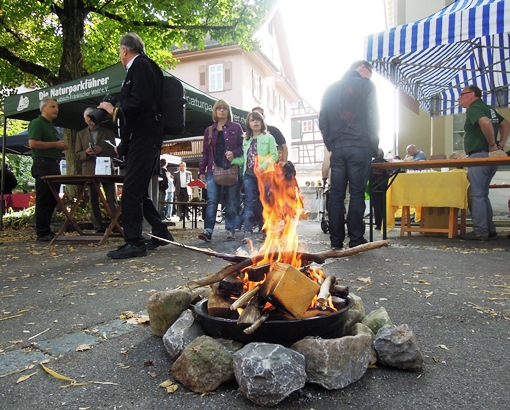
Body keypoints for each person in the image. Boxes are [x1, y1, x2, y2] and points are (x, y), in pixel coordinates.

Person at [98, 32, 174, 258]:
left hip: (145, 136)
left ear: (124, 50)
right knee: (138, 190)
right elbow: (138, 104)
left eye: (119, 51)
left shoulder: (140, 65)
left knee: (131, 191)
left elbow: (141, 102)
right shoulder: (143, 67)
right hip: (142, 136)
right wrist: (124, 144)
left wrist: (114, 109)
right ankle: (160, 231)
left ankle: (135, 243)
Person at [319, 60, 380, 249]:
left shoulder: (330, 89)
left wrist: (331, 143)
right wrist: (373, 146)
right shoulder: (367, 86)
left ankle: (336, 240)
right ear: (361, 67)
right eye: (370, 71)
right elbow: (373, 117)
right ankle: (355, 238)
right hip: (360, 147)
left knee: (336, 194)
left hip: (338, 148)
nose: (370, 75)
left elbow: (323, 119)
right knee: (356, 194)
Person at [458, 84, 509, 241]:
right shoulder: (488, 108)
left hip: (480, 156)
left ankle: (480, 231)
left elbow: (485, 123)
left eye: (462, 94)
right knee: (483, 194)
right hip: (490, 157)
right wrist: (501, 143)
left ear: (472, 94)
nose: (459, 98)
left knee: (476, 195)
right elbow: (505, 123)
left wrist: (493, 144)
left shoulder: (474, 108)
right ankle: (489, 228)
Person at [198, 100, 244, 241]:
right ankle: (208, 231)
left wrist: (234, 153)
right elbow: (205, 153)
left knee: (231, 201)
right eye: (219, 108)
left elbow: (244, 147)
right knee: (212, 200)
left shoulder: (236, 127)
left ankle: (230, 230)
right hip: (213, 170)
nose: (222, 110)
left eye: (225, 108)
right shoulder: (209, 130)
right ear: (215, 111)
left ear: (228, 111)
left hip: (231, 169)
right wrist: (201, 171)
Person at [28, 97, 69, 241]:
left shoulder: (52, 126)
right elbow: (33, 144)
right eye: (53, 106)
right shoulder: (37, 123)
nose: (56, 109)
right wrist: (55, 145)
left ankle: (47, 229)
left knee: (53, 199)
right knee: (44, 198)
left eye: (57, 107)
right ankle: (42, 232)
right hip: (43, 164)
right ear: (43, 108)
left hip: (54, 164)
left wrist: (60, 147)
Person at [75, 107, 118, 233]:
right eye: (88, 116)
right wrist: (86, 153)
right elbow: (77, 154)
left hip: (106, 169)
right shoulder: (80, 134)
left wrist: (102, 150)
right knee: (93, 198)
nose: (91, 119)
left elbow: (115, 152)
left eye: (93, 115)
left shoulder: (108, 132)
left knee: (111, 198)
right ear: (85, 119)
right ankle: (98, 226)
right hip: (89, 169)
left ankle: (115, 224)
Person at [240, 110, 278, 240]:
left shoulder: (269, 138)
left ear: (262, 122)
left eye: (257, 120)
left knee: (264, 202)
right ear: (248, 124)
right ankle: (247, 231)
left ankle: (264, 230)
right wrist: (233, 159)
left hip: (265, 175)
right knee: (249, 202)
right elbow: (244, 158)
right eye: (252, 120)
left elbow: (274, 156)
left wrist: (264, 165)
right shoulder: (246, 140)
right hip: (249, 174)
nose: (255, 122)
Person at [370, 148, 389, 230]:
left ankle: (378, 224)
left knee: (376, 205)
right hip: (385, 186)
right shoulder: (387, 163)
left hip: (374, 186)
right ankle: (387, 222)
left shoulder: (371, 164)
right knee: (385, 204)